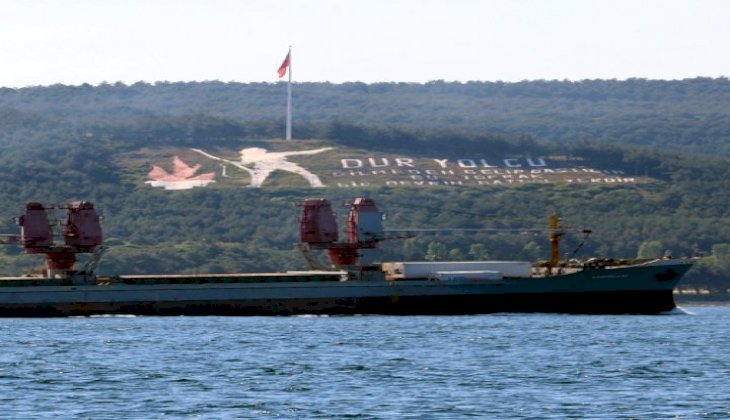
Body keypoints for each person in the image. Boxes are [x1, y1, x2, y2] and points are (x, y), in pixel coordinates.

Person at [191, 146, 333, 187]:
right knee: (259, 177)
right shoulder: (253, 160)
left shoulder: (270, 155)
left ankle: (316, 183)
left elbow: (301, 152)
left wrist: (322, 150)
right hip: (264, 167)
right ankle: (255, 185)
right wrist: (201, 151)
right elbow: (222, 159)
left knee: (306, 173)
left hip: (280, 163)